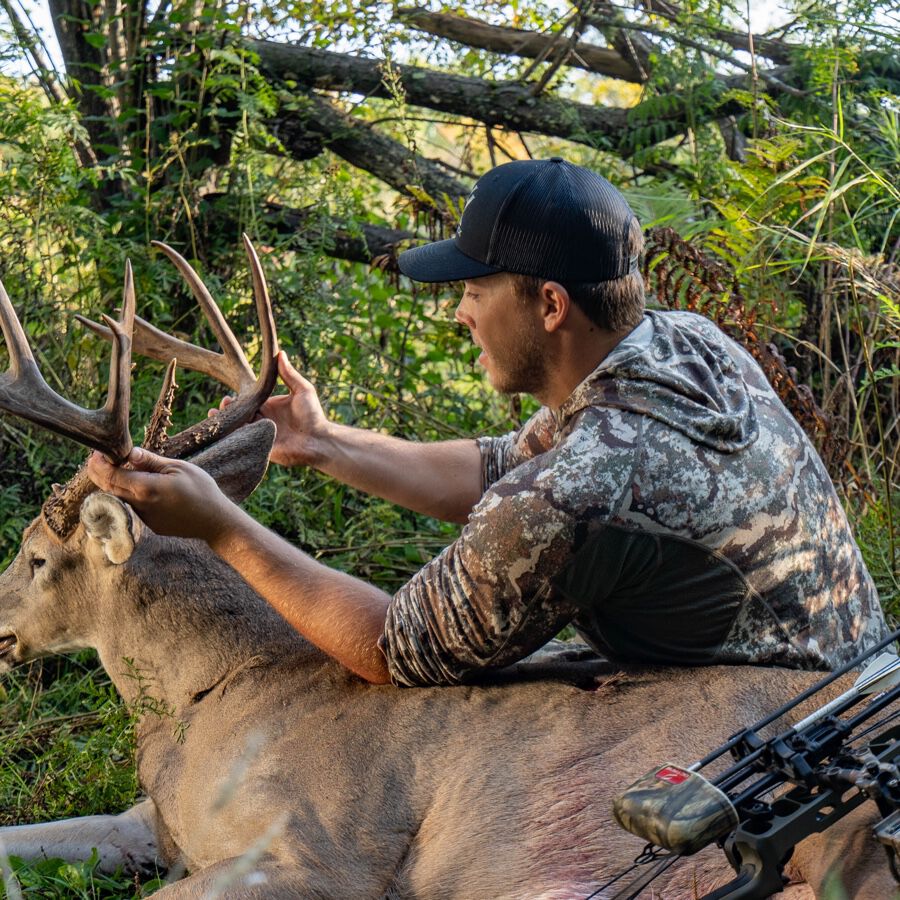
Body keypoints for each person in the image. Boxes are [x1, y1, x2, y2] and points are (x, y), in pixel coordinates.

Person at [87, 157, 888, 687]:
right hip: (863, 677)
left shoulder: (576, 496)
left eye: (475, 290)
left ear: (549, 305)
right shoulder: (685, 345)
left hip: (791, 734)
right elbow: (505, 464)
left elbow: (396, 648)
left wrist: (222, 528)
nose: (460, 313)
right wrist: (324, 442)